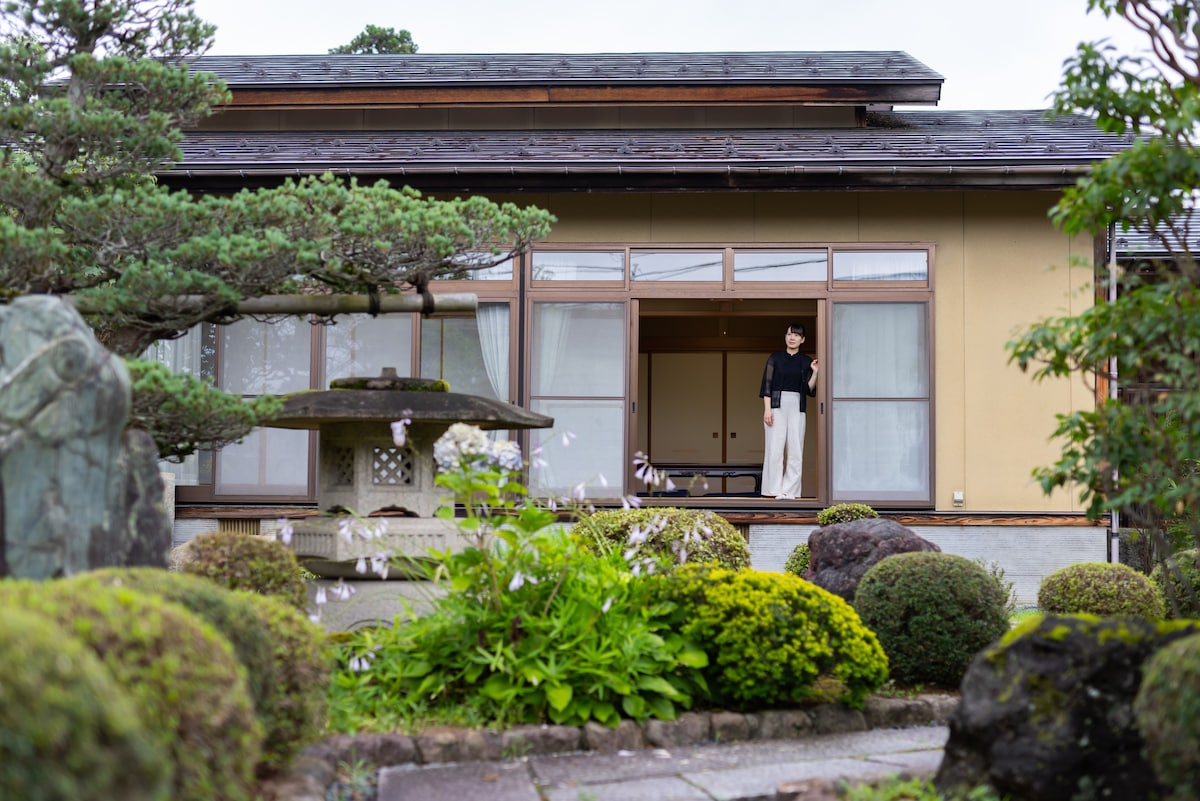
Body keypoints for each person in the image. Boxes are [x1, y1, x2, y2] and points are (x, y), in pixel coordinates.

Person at [759, 323, 818, 499]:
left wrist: (815, 372)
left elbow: (808, 390)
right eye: (789, 334)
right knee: (774, 449)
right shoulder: (774, 358)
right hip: (776, 405)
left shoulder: (806, 361)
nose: (792, 338)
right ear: (785, 337)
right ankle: (773, 490)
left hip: (797, 406)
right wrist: (767, 410)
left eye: (796, 335)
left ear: (803, 339)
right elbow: (767, 386)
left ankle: (789, 491)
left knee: (796, 449)